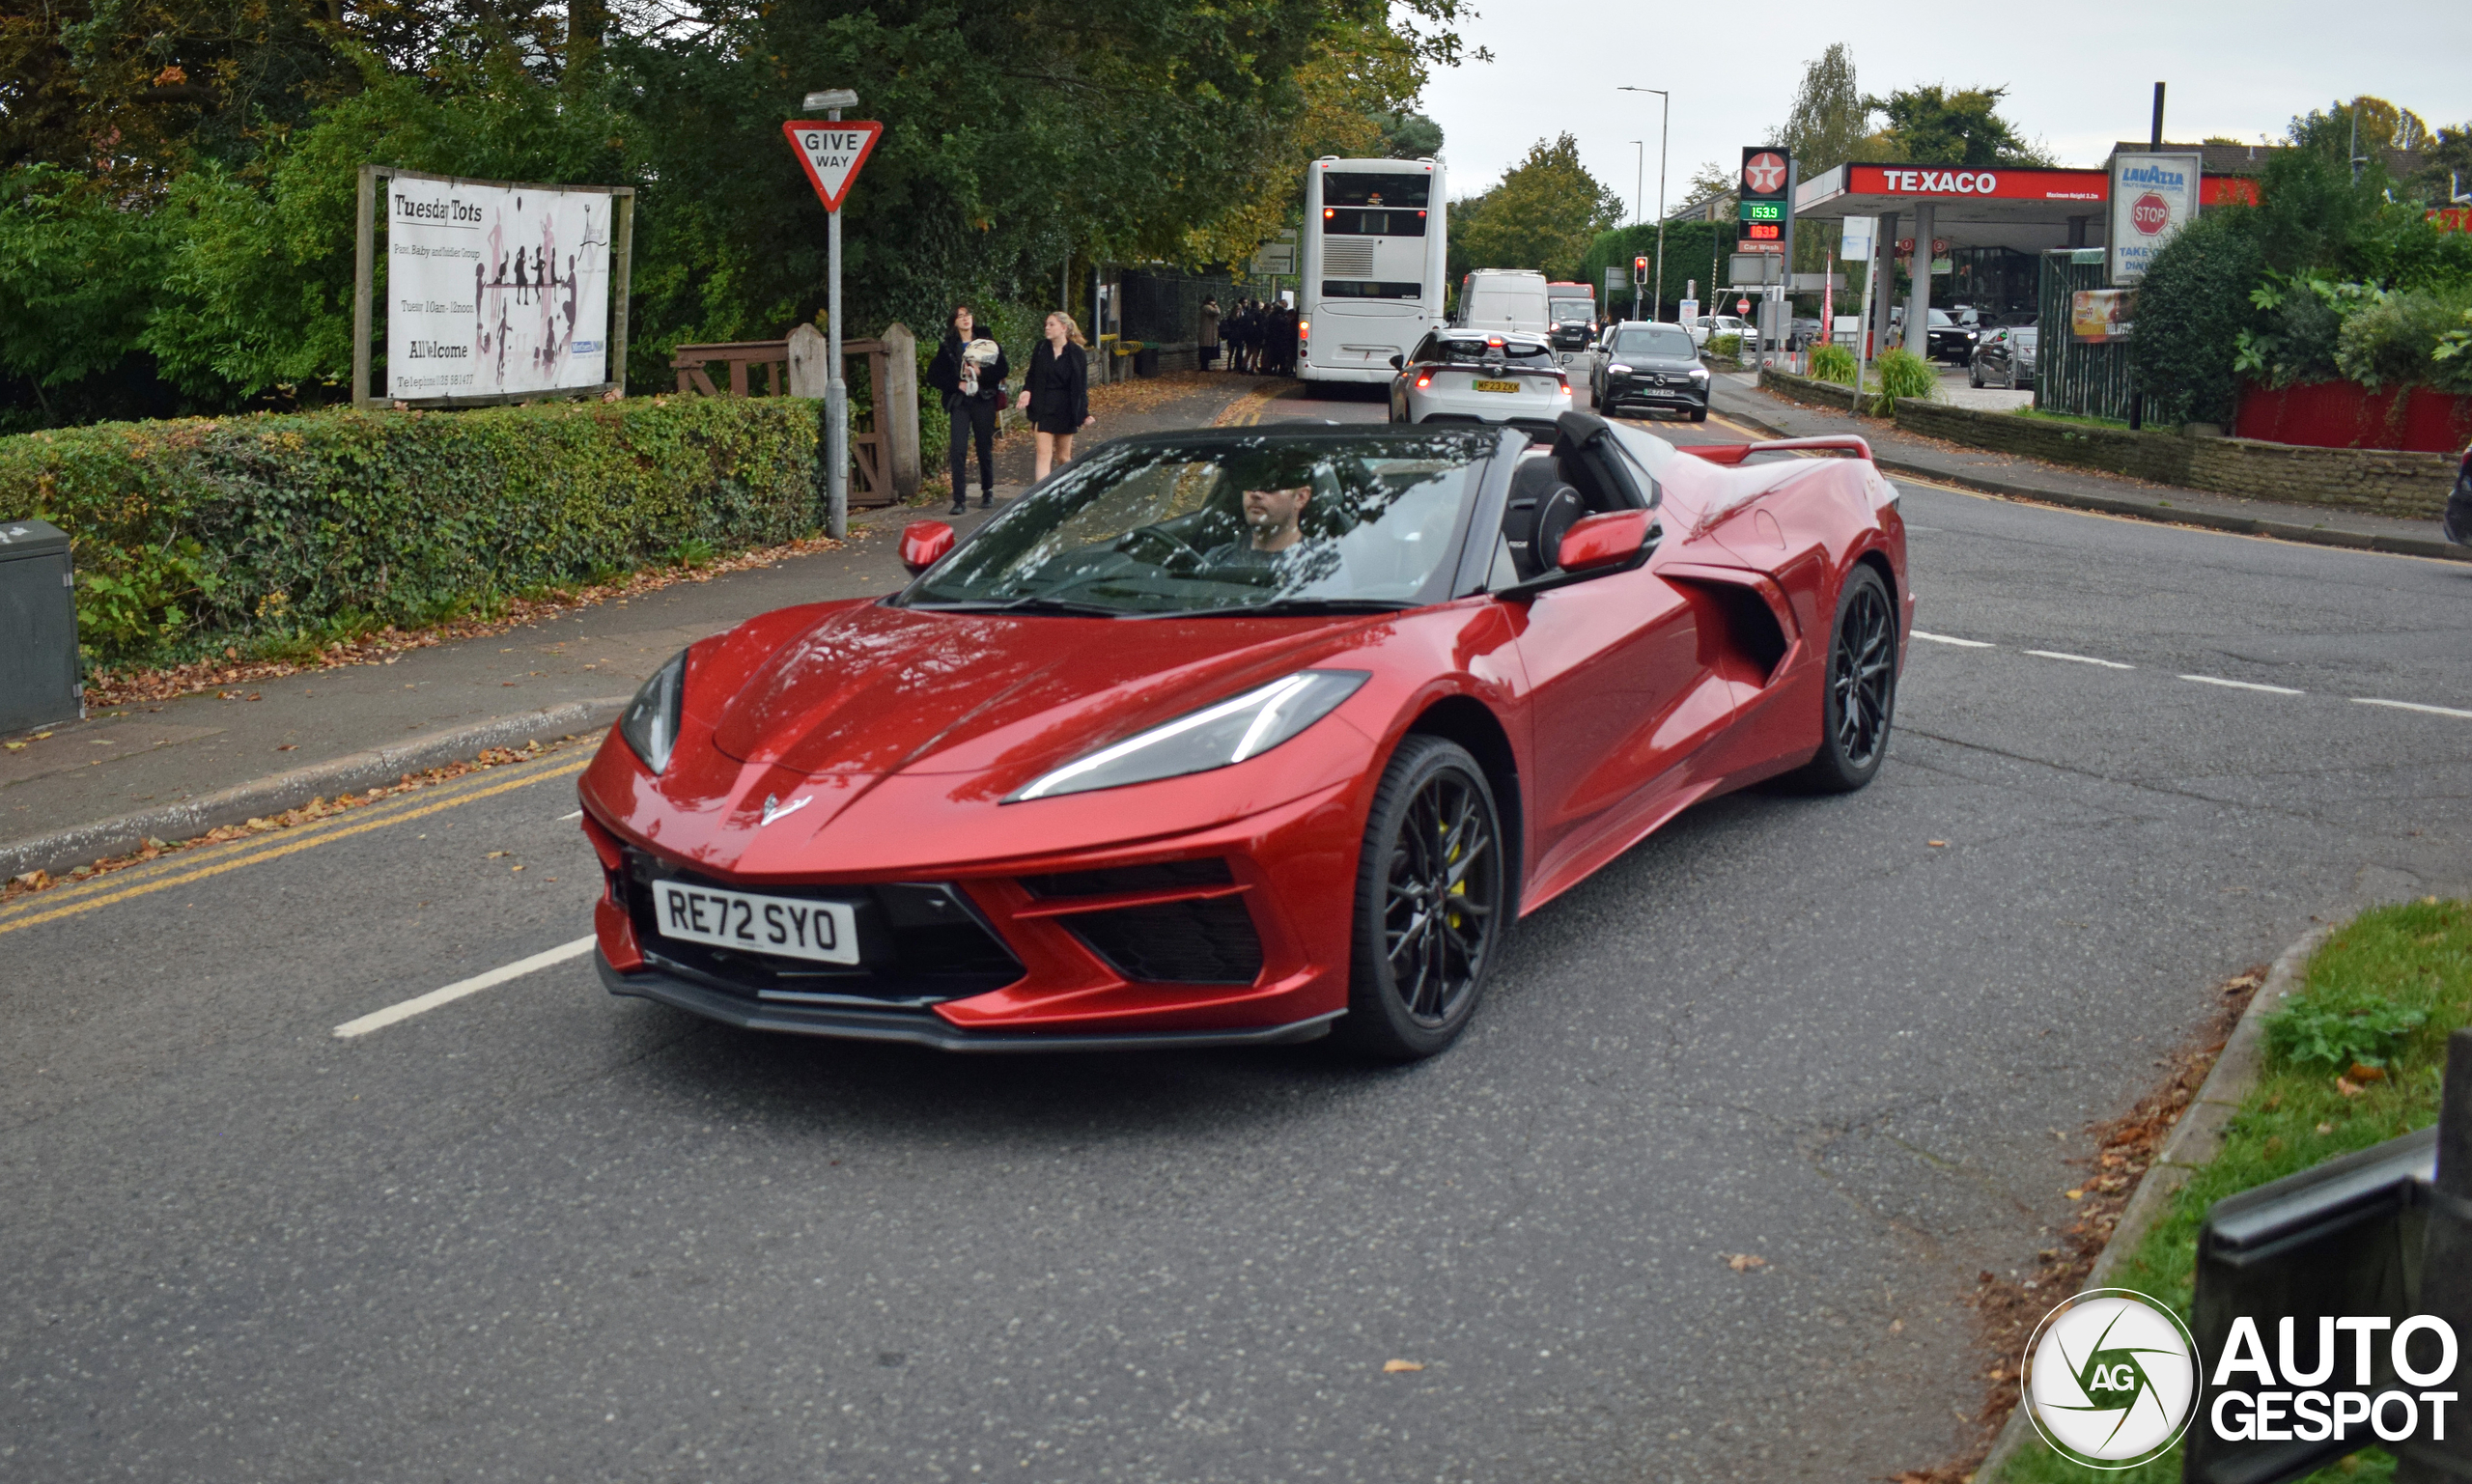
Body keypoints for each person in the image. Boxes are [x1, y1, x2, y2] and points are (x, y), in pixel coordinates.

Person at [925, 304, 1009, 514]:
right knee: (958, 449)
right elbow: (933, 375)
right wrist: (956, 384)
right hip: (960, 402)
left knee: (983, 446)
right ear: (954, 322)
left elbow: (1003, 368)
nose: (965, 319)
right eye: (960, 316)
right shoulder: (948, 348)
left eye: (968, 314)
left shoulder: (986, 341)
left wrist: (980, 373)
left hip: (983, 398)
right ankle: (959, 500)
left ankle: (987, 491)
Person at [1015, 311, 1092, 481]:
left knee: (1063, 458)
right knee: (1043, 455)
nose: (1047, 328)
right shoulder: (1041, 348)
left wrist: (1084, 412)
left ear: (1063, 328)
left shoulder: (1076, 353)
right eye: (1046, 324)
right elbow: (1032, 375)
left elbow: (1081, 386)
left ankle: (1069, 489)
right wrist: (1026, 391)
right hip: (1042, 407)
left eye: (1051, 324)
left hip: (1065, 409)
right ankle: (1041, 497)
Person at [1197, 295, 1221, 372]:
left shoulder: (1208, 307)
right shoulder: (1206, 307)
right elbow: (1216, 312)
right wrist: (1215, 306)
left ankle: (1206, 366)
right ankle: (1204, 366)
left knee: (1208, 349)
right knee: (1205, 349)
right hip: (1206, 331)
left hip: (1211, 331)